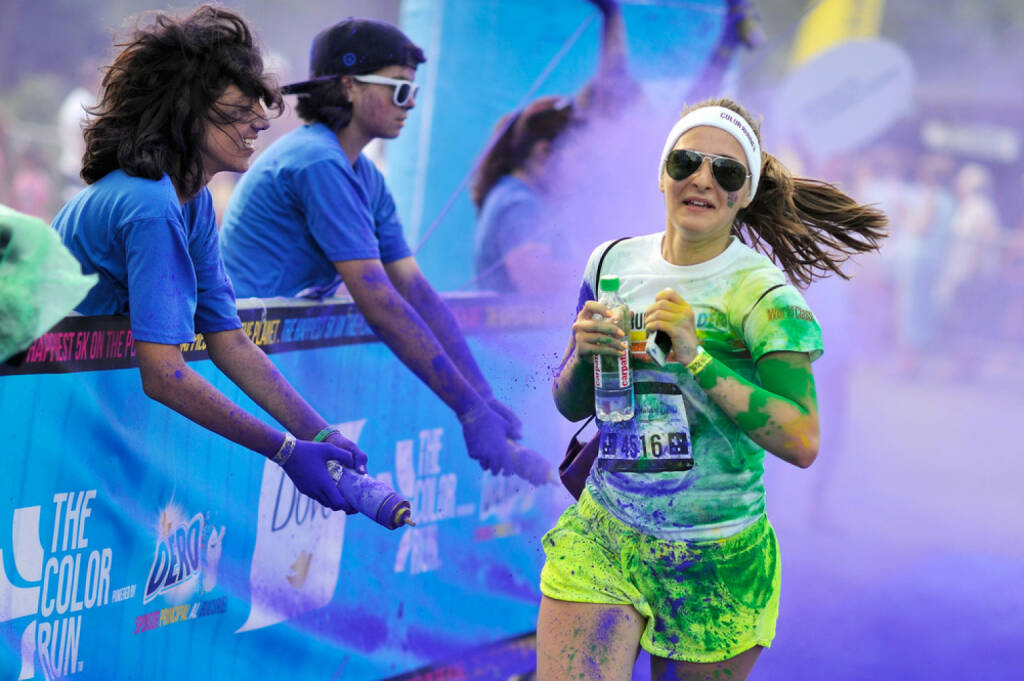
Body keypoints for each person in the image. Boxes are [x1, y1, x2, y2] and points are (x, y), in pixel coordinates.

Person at [537, 97, 887, 680]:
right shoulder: (609, 260)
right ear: (662, 172)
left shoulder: (765, 295)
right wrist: (584, 361)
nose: (702, 179)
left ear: (744, 192)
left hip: (715, 557)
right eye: (686, 162)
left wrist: (697, 359)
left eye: (725, 172)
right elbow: (571, 400)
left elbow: (802, 439)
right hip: (604, 532)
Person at [51, 5, 366, 513]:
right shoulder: (150, 204)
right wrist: (285, 451)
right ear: (188, 111)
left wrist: (318, 430)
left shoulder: (187, 198)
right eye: (241, 110)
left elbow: (231, 341)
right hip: (47, 418)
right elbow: (164, 375)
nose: (258, 124)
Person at [219, 18, 537, 483]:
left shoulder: (363, 174)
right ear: (348, 86)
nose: (409, 105)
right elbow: (380, 302)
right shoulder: (317, 161)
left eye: (414, 92)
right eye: (398, 90)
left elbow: (417, 292)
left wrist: (484, 398)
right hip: (235, 362)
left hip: (271, 363)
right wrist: (468, 410)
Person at [471, 0, 765, 295]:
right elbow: (537, 279)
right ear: (544, 153)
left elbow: (619, 83)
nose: (584, 158)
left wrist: (612, 15)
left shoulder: (540, 196)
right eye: (579, 149)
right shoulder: (519, 202)